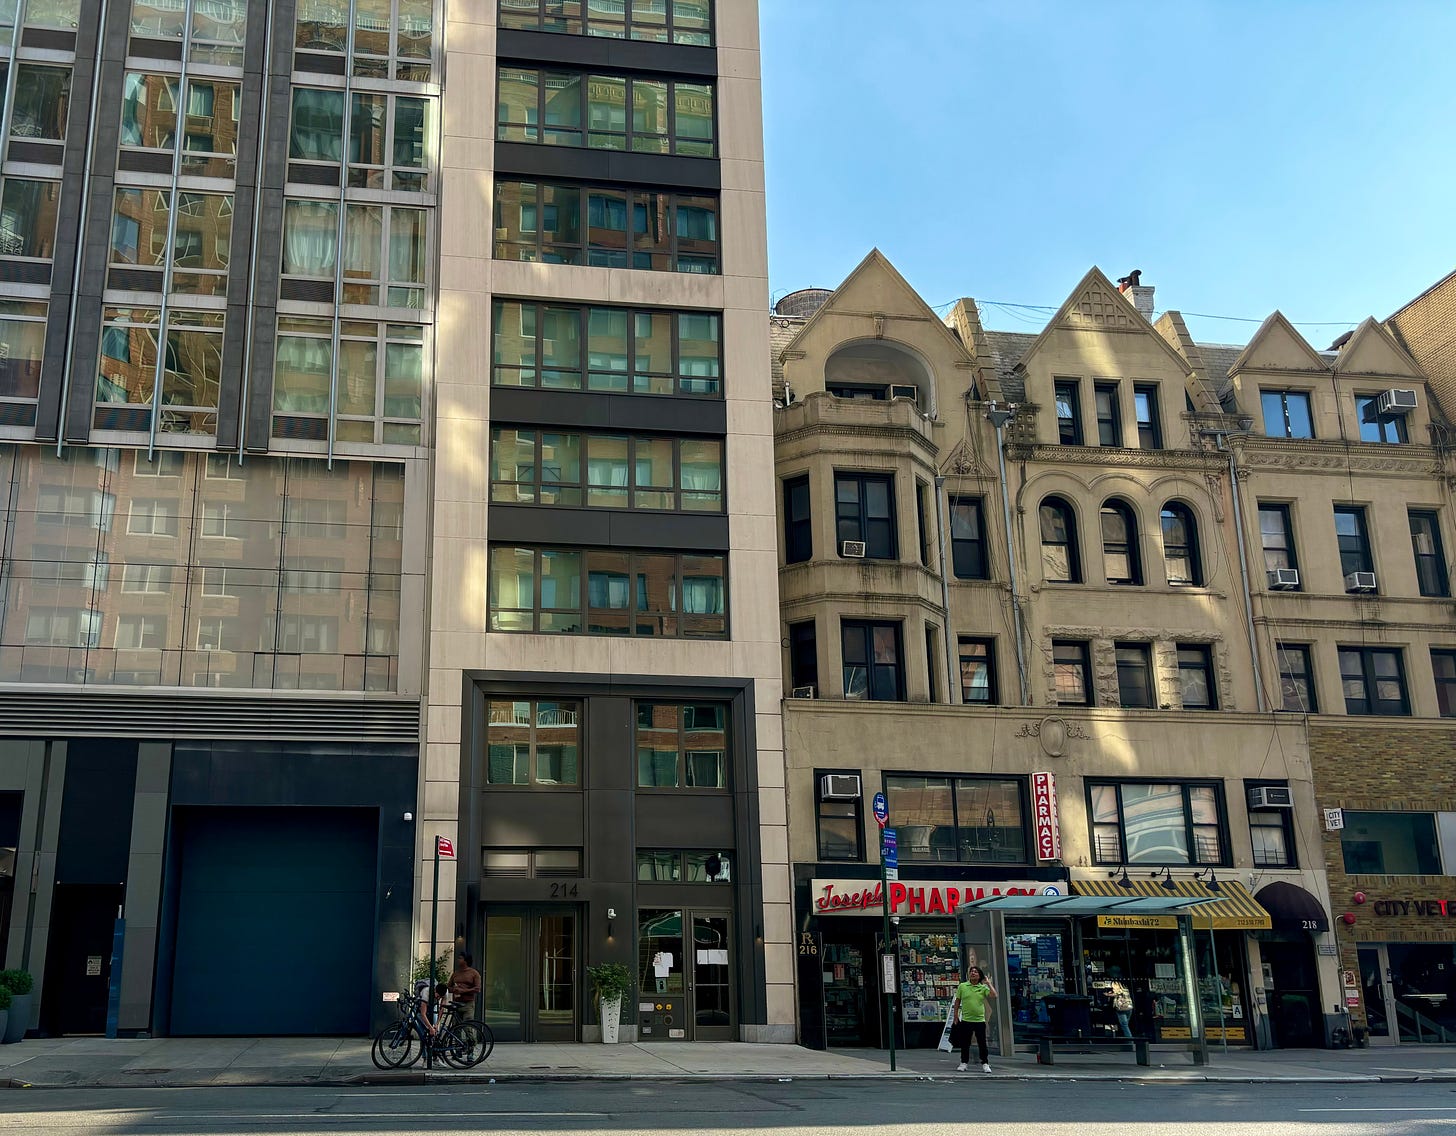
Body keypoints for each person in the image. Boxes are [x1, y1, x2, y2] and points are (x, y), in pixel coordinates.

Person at [954, 964, 997, 1073]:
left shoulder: (983, 988)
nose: (973, 973)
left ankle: (985, 1063)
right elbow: (957, 1001)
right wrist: (955, 1016)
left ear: (979, 976)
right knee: (965, 1043)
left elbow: (994, 995)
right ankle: (964, 1063)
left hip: (979, 1020)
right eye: (971, 971)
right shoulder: (963, 986)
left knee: (982, 1042)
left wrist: (988, 983)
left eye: (976, 972)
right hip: (966, 1019)